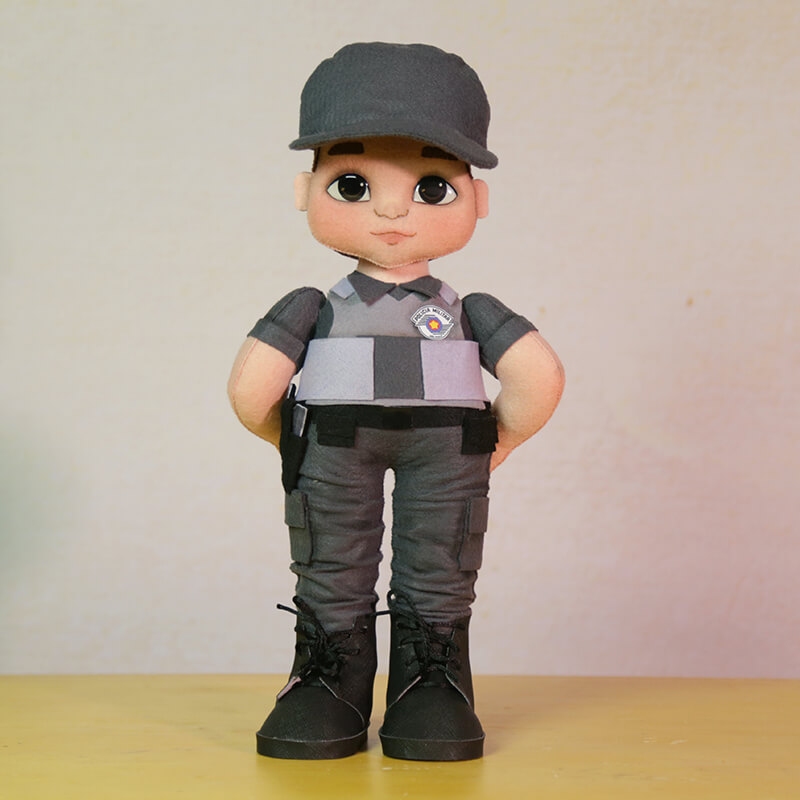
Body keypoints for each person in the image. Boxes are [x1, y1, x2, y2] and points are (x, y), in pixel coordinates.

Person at [228, 42, 564, 761]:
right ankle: (329, 674)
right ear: (304, 190)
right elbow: (252, 388)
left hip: (447, 446)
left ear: (478, 200)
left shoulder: (470, 310)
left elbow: (537, 375)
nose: (389, 207)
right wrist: (295, 439)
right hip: (335, 440)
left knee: (441, 564)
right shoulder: (312, 306)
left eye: (431, 187)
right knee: (330, 561)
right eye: (352, 184)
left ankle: (432, 677)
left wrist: (501, 439)